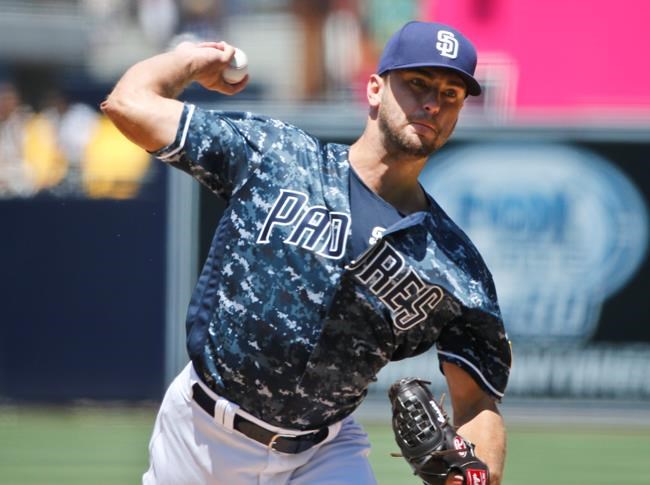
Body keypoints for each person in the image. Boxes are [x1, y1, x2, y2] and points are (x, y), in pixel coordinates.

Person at [102, 20, 511, 485]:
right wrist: (195, 61)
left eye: (451, 94)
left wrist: (477, 474)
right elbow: (128, 105)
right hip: (200, 437)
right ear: (375, 89)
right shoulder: (278, 158)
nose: (433, 102)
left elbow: (478, 402)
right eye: (417, 84)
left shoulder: (455, 265)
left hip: (323, 453)